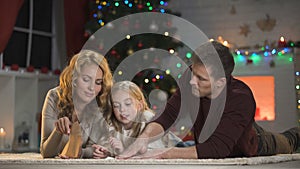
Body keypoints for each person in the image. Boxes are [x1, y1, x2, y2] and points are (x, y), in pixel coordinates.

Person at [117, 41, 300, 159]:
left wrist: (163, 154)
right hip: (215, 137)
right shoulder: (192, 76)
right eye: (193, 73)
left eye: (201, 79)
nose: (191, 81)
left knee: (288, 141)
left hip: (250, 142)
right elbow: (169, 114)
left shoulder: (240, 98)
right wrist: (142, 139)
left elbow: (217, 149)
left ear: (220, 82)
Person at [40, 50, 113, 158]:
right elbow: (46, 153)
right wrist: (58, 131)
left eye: (98, 82)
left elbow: (95, 150)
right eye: (86, 79)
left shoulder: (101, 103)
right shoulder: (54, 97)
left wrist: (81, 152)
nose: (92, 88)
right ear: (73, 78)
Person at [92, 81, 181, 157]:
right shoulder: (113, 126)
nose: (122, 110)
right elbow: (106, 145)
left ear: (139, 105)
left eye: (127, 104)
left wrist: (123, 151)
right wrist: (106, 152)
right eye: (116, 106)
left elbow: (151, 154)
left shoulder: (148, 121)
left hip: (179, 146)